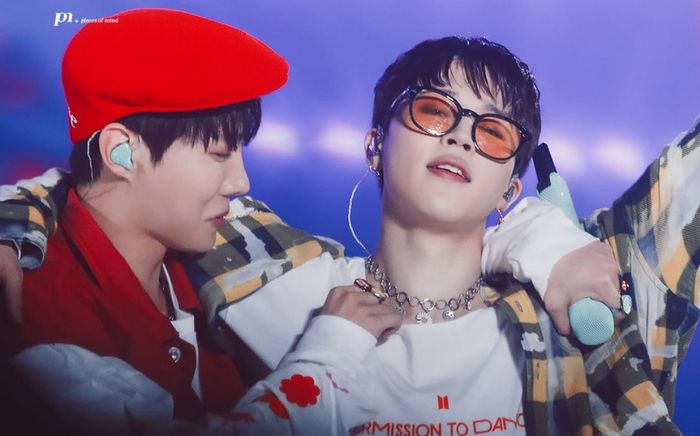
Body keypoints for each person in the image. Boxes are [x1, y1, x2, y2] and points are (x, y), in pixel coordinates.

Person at [0, 19, 632, 436]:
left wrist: (540, 236)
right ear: (374, 146)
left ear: (512, 187)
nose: (242, 181)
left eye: (492, 132)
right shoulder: (264, 279)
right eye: (434, 110)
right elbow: (81, 193)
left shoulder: (205, 257)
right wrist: (332, 348)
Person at [0, 8, 407, 435]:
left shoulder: (221, 249)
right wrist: (334, 348)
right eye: (219, 154)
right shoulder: (32, 311)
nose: (241, 182)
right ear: (122, 152)